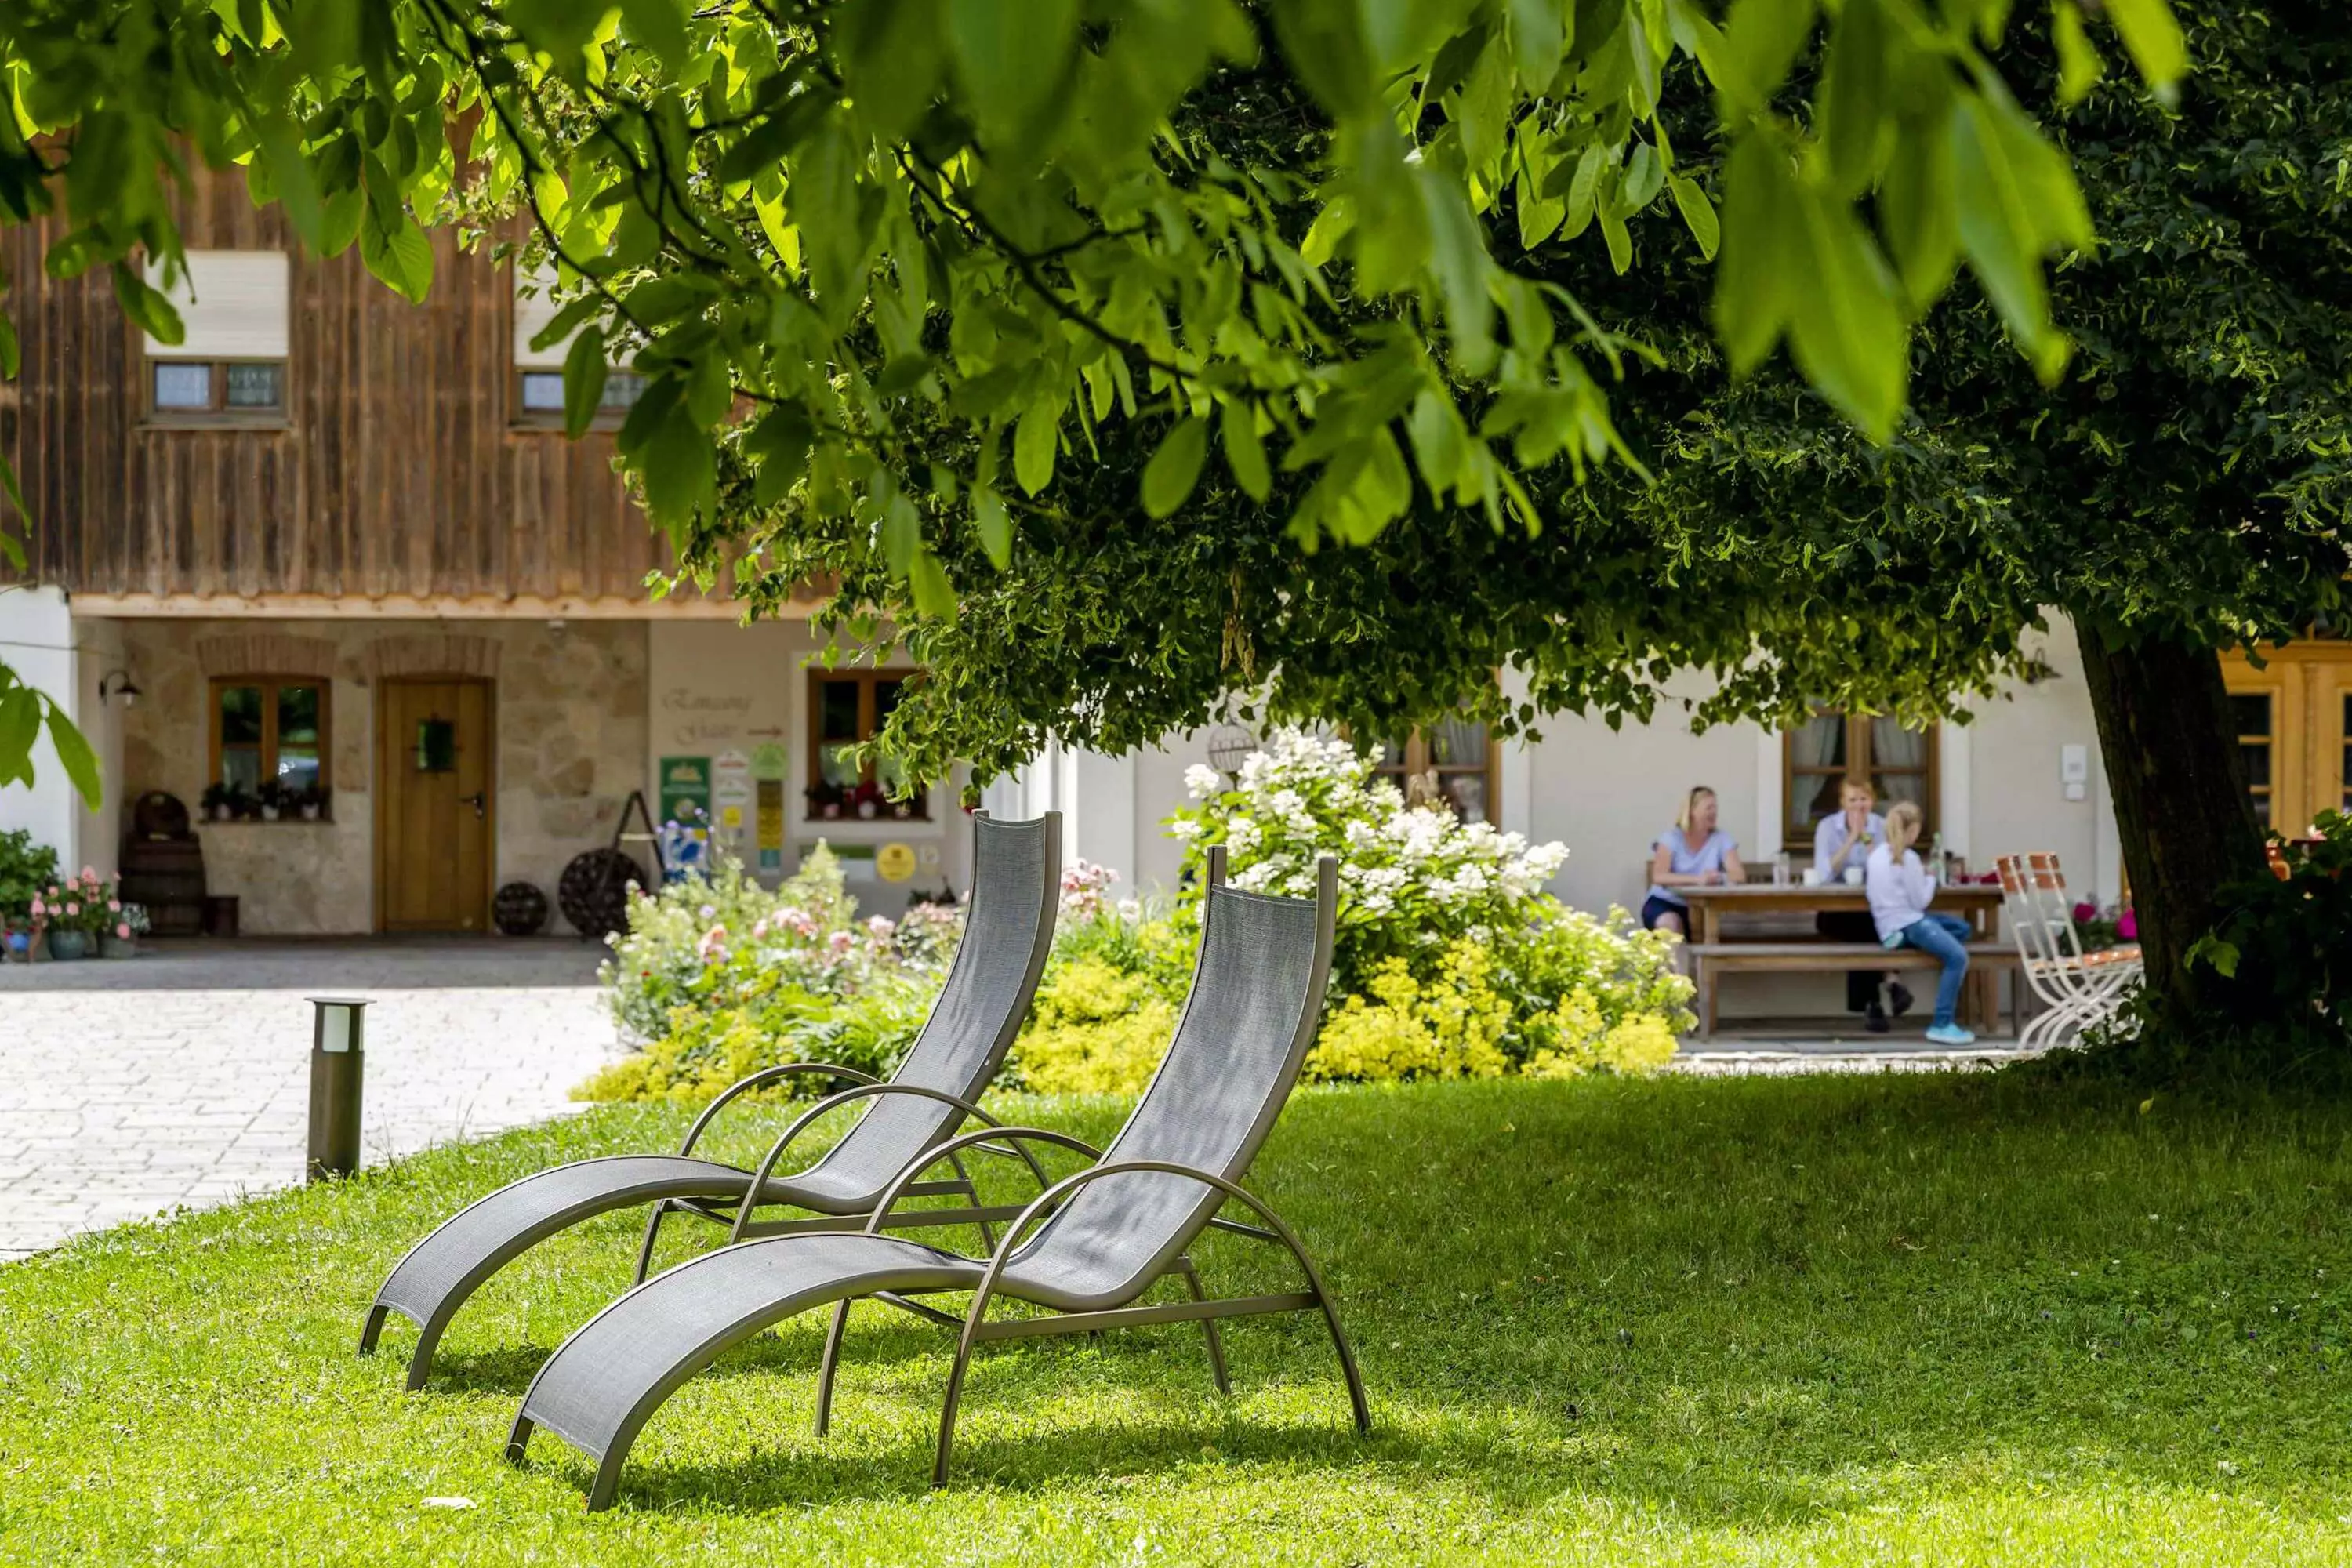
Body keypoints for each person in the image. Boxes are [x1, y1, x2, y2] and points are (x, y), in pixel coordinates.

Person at [1865, 801, 1975, 1046]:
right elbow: (1921, 902)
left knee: (1962, 929)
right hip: (1911, 922)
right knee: (1958, 958)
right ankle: (1942, 1023)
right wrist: (1931, 878)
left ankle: (1904, 941)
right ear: (1912, 830)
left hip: (1888, 926)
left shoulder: (1875, 857)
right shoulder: (1909, 858)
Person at [1812, 776, 1911, 1032]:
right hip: (1834, 911)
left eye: (1863, 799)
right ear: (1842, 803)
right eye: (1852, 800)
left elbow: (1887, 870)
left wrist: (1866, 839)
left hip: (1873, 909)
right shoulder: (1827, 827)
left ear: (1872, 801)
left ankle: (1872, 1006)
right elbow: (1823, 875)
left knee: (1867, 925)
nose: (1858, 805)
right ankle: (1891, 980)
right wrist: (1851, 838)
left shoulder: (1882, 826)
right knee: (1865, 927)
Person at [1642, 786, 1744, 936]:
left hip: (1704, 908)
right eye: (1708, 808)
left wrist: (1718, 877)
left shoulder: (1721, 838)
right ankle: (1677, 961)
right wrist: (1698, 879)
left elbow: (1739, 875)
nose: (1714, 812)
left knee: (1718, 929)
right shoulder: (1671, 838)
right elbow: (1659, 876)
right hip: (1666, 903)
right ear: (1691, 811)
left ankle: (1694, 960)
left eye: (1715, 808)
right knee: (1670, 924)